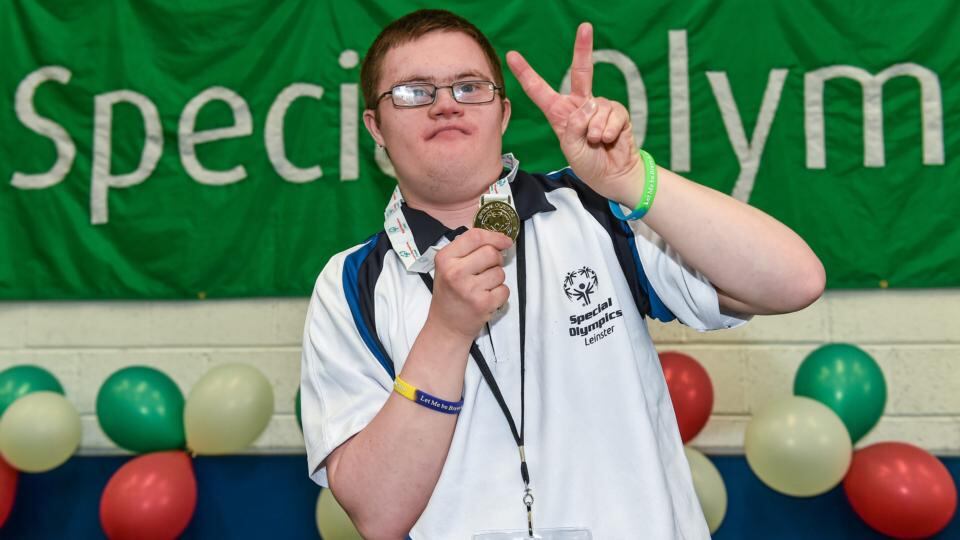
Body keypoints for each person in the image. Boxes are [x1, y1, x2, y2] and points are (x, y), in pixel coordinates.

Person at [300, 9, 824, 539]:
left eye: (468, 86)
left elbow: (795, 281)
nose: (444, 105)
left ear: (503, 113)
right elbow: (377, 514)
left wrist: (629, 178)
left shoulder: (595, 209)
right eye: (414, 92)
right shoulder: (349, 286)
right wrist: (445, 333)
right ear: (376, 126)